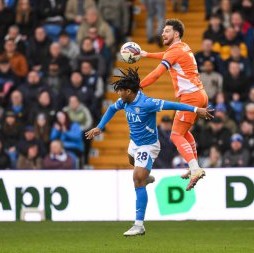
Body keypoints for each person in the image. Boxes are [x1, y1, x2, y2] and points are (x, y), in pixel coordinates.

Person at [85, 68, 212, 237]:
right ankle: (146, 177)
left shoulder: (147, 103)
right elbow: (111, 110)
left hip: (148, 146)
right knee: (132, 162)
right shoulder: (124, 101)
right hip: (134, 143)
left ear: (129, 91)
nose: (119, 94)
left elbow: (173, 104)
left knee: (137, 179)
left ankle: (139, 225)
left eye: (121, 91)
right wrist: (99, 127)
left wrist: (196, 110)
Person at [139, 19, 210, 190]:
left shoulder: (174, 51)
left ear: (176, 34)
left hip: (190, 97)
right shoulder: (182, 47)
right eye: (163, 31)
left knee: (175, 135)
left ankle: (194, 168)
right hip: (200, 94)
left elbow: (156, 74)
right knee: (184, 132)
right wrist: (147, 54)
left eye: (167, 31)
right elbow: (166, 56)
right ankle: (194, 166)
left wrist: (137, 87)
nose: (163, 33)